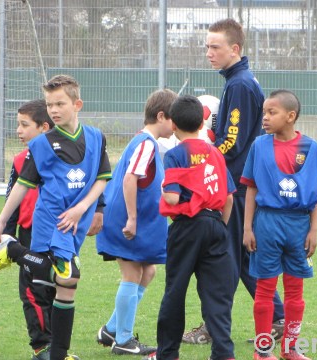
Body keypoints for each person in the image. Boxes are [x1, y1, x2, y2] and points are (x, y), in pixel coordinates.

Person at [0, 74, 112, 360]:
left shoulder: (95, 136)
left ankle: (57, 354)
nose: (53, 110)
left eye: (59, 103)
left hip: (75, 221)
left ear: (77, 104)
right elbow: (22, 185)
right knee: (67, 276)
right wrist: (1, 221)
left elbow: (102, 179)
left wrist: (86, 208)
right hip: (51, 221)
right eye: (49, 104)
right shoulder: (41, 145)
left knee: (61, 282)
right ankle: (13, 248)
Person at [183, 17, 285, 346]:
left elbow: (233, 142)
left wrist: (203, 156)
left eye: (215, 47)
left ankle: (214, 326)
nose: (208, 53)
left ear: (235, 49)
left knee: (221, 257)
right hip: (240, 184)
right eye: (207, 47)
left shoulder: (240, 84)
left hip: (234, 187)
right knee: (240, 258)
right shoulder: (237, 81)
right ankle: (278, 317)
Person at [146, 95, 237, 360]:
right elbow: (229, 198)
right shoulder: (216, 154)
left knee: (175, 291)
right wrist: (219, 225)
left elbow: (173, 197)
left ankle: (167, 353)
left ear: (173, 124)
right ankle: (223, 353)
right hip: (216, 224)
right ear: (202, 123)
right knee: (216, 295)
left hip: (186, 227)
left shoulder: (175, 155)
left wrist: (163, 192)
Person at [241, 90, 317, 360]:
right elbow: (251, 188)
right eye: (264, 112)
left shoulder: (311, 149)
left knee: (295, 291)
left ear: (291, 116)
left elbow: (315, 193)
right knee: (265, 288)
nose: (265, 118)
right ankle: (263, 350)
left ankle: (290, 348)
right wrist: (247, 227)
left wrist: (314, 229)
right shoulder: (259, 146)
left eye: (271, 112)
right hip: (267, 222)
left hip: (299, 224)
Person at [95, 89, 177, 356]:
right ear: (161, 116)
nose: (175, 126)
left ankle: (111, 330)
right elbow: (131, 178)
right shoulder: (146, 144)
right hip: (124, 221)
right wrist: (132, 218)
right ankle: (124, 340)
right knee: (131, 274)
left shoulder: (147, 143)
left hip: (131, 221)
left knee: (148, 272)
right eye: (173, 119)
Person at [0, 99, 56, 360]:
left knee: (55, 288)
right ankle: (41, 347)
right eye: (17, 125)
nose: (19, 131)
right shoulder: (21, 160)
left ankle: (57, 346)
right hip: (28, 234)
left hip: (57, 233)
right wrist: (7, 238)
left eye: (24, 125)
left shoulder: (62, 158)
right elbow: (12, 198)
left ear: (44, 127)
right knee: (32, 291)